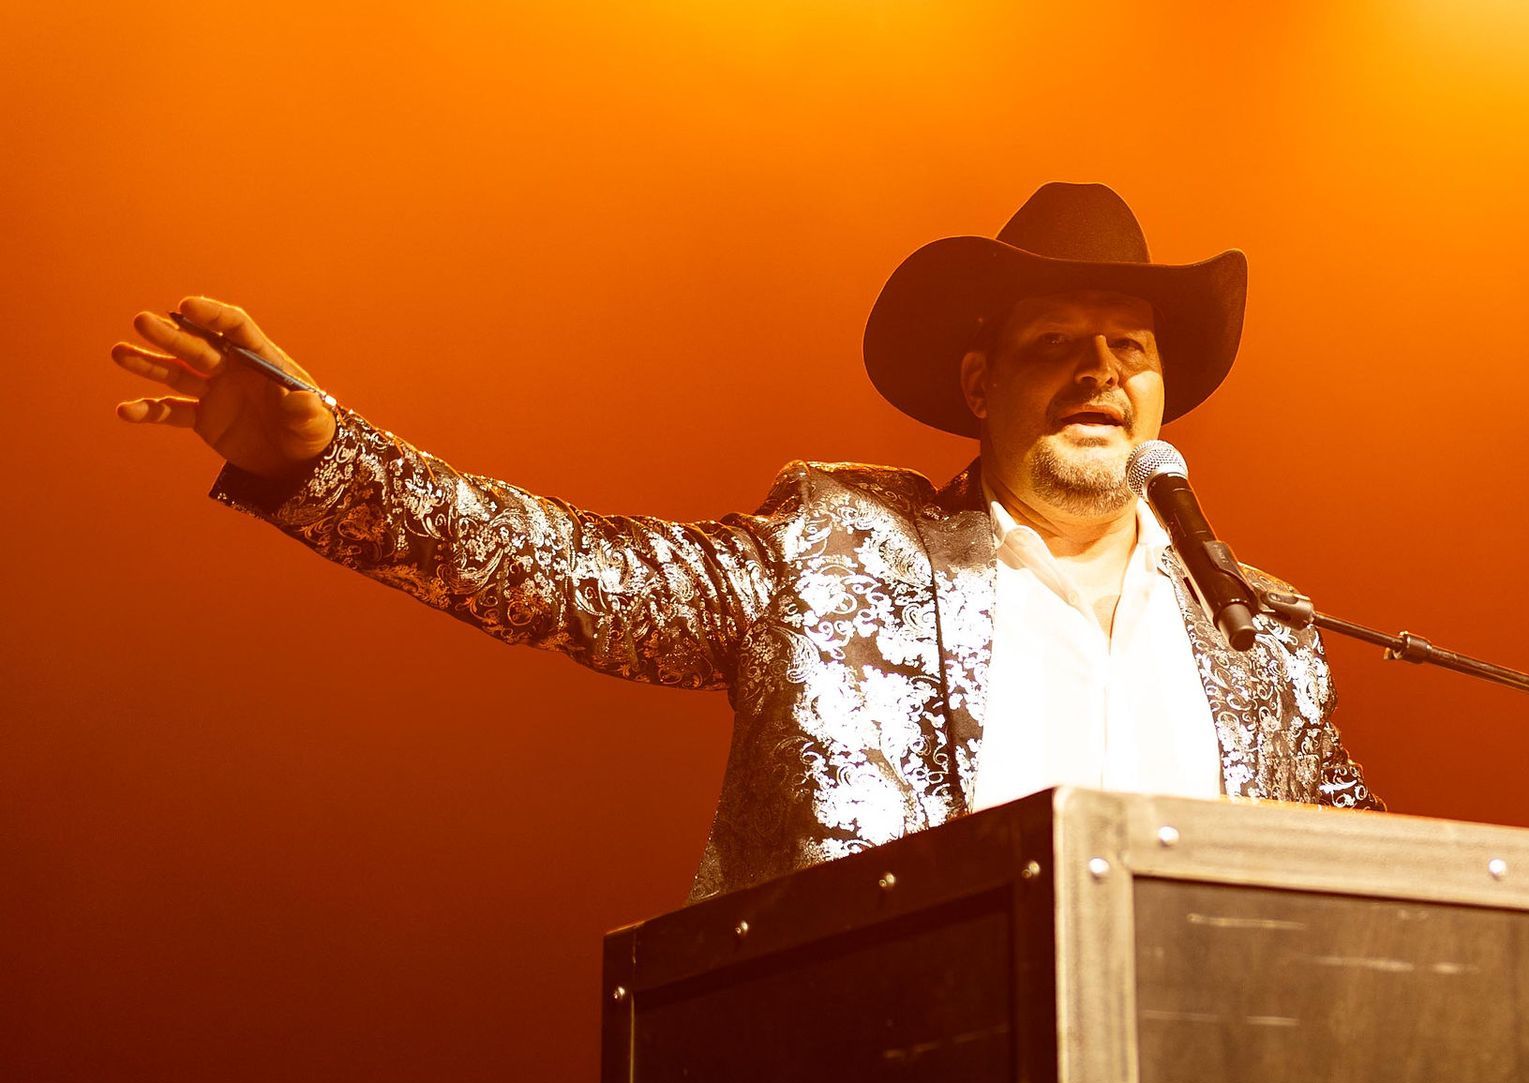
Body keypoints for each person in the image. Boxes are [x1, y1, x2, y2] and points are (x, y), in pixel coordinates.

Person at [109, 182, 1380, 901]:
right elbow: (573, 574)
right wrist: (330, 459)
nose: (1101, 373)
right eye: (1060, 345)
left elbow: (1376, 894)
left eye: (1132, 350)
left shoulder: (1258, 629)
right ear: (984, 385)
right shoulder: (840, 555)